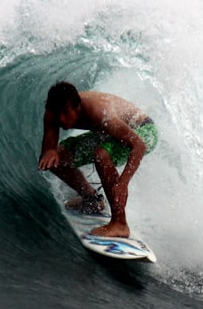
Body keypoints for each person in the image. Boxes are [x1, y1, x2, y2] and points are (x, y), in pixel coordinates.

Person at [38, 81, 158, 238]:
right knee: (58, 159)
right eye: (57, 113)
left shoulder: (99, 112)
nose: (61, 119)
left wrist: (123, 183)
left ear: (78, 107)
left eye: (66, 113)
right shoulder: (53, 113)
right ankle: (92, 200)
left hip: (143, 131)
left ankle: (120, 223)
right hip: (109, 133)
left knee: (101, 155)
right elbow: (49, 150)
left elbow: (139, 146)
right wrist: (49, 152)